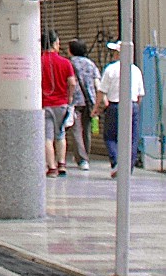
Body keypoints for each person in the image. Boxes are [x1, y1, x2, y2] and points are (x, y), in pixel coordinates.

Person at [97, 42, 145, 173]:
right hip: (132, 105)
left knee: (110, 136)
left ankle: (116, 162)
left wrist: (96, 108)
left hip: (115, 106)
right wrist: (135, 107)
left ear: (118, 53)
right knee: (132, 137)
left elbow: (102, 91)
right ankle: (128, 167)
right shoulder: (135, 70)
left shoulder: (110, 69)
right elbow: (140, 94)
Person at [41, 30, 76, 177]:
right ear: (55, 43)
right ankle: (62, 164)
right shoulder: (65, 62)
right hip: (61, 104)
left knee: (47, 137)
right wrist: (69, 97)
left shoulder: (38, 62)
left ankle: (52, 167)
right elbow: (72, 83)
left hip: (44, 104)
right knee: (60, 134)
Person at [68, 40, 100, 171]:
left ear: (71, 50)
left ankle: (82, 159)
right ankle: (86, 156)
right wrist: (98, 102)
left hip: (74, 101)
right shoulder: (91, 64)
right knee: (86, 129)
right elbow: (97, 83)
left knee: (75, 130)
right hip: (89, 101)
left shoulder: (69, 63)